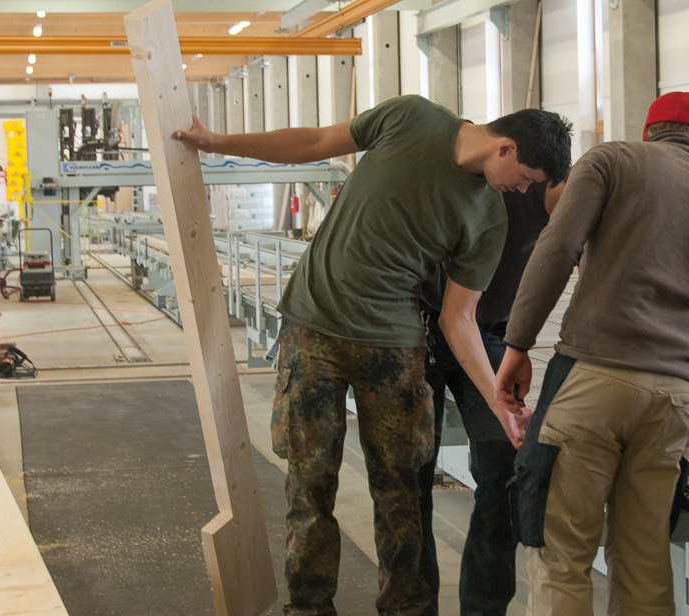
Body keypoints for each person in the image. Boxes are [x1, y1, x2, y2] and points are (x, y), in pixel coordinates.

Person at [173, 94, 571, 616]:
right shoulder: (411, 117)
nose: (522, 191)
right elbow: (314, 141)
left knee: (401, 494)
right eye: (523, 177)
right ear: (505, 147)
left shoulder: (489, 218)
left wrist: (497, 400)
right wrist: (218, 143)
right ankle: (309, 608)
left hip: (395, 345)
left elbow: (459, 318)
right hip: (314, 329)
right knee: (310, 486)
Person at [495, 91, 689, 616]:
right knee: (644, 568)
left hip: (590, 388)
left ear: (649, 130)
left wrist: (518, 343)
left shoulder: (612, 160)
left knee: (560, 558)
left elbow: (557, 248)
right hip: (674, 405)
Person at [417, 174, 567, 616]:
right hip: (420, 330)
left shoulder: (574, 209)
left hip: (489, 337)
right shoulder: (511, 184)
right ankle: (414, 605)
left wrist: (519, 346)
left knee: (503, 476)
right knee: (412, 481)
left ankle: (483, 609)